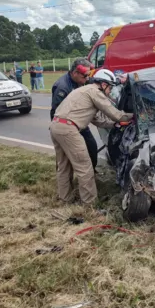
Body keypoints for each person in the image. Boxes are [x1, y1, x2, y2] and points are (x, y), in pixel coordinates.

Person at [50, 69, 133, 205]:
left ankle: (65, 199)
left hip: (56, 126)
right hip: (69, 129)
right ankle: (90, 205)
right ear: (103, 84)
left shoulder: (85, 91)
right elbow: (116, 114)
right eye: (110, 87)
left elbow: (98, 120)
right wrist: (133, 117)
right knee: (85, 167)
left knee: (64, 167)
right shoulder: (95, 92)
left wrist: (115, 125)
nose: (110, 90)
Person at [51, 59, 99, 171]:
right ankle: (64, 177)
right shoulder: (62, 87)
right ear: (75, 73)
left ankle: (91, 172)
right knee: (65, 155)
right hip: (66, 125)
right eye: (85, 76)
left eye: (88, 75)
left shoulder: (81, 80)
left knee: (92, 147)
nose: (87, 78)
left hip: (80, 123)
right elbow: (57, 112)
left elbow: (94, 81)